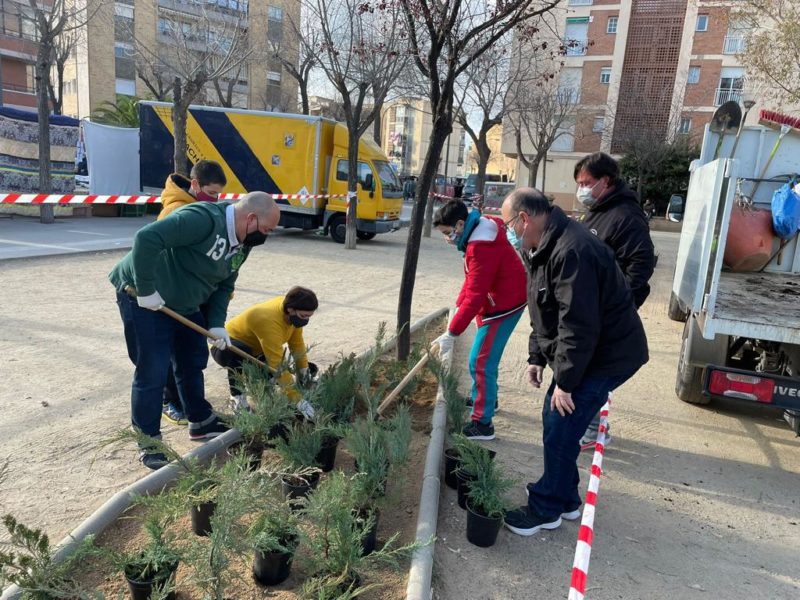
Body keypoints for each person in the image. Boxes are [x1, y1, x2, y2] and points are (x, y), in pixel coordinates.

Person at [500, 188, 648, 536]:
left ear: (524, 219)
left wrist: (565, 382)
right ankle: (564, 498)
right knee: (555, 422)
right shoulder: (540, 246)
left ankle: (546, 508)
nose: (507, 232)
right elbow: (543, 308)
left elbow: (577, 325)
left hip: (606, 354)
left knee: (562, 425)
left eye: (508, 224)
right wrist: (536, 356)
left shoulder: (572, 250)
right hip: (589, 352)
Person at [109, 192, 281, 470]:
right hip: (145, 298)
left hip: (185, 302)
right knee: (153, 369)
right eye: (266, 229)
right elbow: (147, 238)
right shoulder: (201, 220)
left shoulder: (243, 241)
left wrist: (215, 323)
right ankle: (149, 442)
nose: (266, 236)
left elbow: (225, 284)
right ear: (250, 218)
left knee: (192, 360)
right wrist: (147, 287)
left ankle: (200, 421)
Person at [573, 152, 655, 449]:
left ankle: (593, 431)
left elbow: (641, 263)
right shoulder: (599, 209)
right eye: (579, 183)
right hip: (592, 306)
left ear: (605, 180)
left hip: (606, 311)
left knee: (593, 371)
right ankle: (594, 427)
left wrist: (619, 305)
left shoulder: (626, 216)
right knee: (589, 369)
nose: (581, 189)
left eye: (586, 182)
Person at [432, 200, 527, 440]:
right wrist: (458, 305)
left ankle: (482, 424)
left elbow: (476, 294)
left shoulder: (480, 247)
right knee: (483, 358)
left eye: (447, 232)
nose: (447, 238)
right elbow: (471, 282)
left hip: (503, 306)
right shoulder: (479, 233)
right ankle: (486, 399)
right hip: (502, 299)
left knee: (481, 361)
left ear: (461, 224)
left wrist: (452, 332)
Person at [156, 160, 229, 427]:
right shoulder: (176, 212)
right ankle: (169, 401)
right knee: (171, 354)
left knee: (189, 356)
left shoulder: (202, 210)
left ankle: (193, 407)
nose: (214, 200)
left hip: (192, 295)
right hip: (169, 295)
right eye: (210, 193)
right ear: (195, 185)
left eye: (218, 195)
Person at [210, 286, 318, 417]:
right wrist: (296, 399)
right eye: (303, 316)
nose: (306, 320)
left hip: (257, 350)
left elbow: (297, 345)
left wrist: (304, 374)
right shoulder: (268, 320)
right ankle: (237, 398)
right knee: (240, 353)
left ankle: (257, 387)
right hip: (225, 347)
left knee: (271, 376)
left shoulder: (290, 313)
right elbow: (277, 364)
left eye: (309, 316)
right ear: (290, 309)